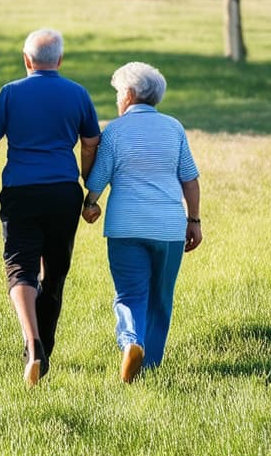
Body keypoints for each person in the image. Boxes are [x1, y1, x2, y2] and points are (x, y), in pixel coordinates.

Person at [0, 29, 100, 386]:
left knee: (20, 268)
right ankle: (44, 350)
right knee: (55, 274)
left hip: (21, 191)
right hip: (63, 193)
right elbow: (91, 141)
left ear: (26, 60)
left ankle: (31, 343)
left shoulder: (11, 93)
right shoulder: (78, 94)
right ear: (60, 61)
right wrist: (86, 182)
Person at [82, 62, 202, 383]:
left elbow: (99, 177)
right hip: (169, 229)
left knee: (130, 294)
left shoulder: (116, 131)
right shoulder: (174, 128)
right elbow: (190, 180)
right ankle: (150, 368)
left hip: (126, 228)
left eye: (119, 93)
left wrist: (90, 204)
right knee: (160, 298)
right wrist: (194, 220)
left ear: (130, 95)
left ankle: (131, 343)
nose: (118, 99)